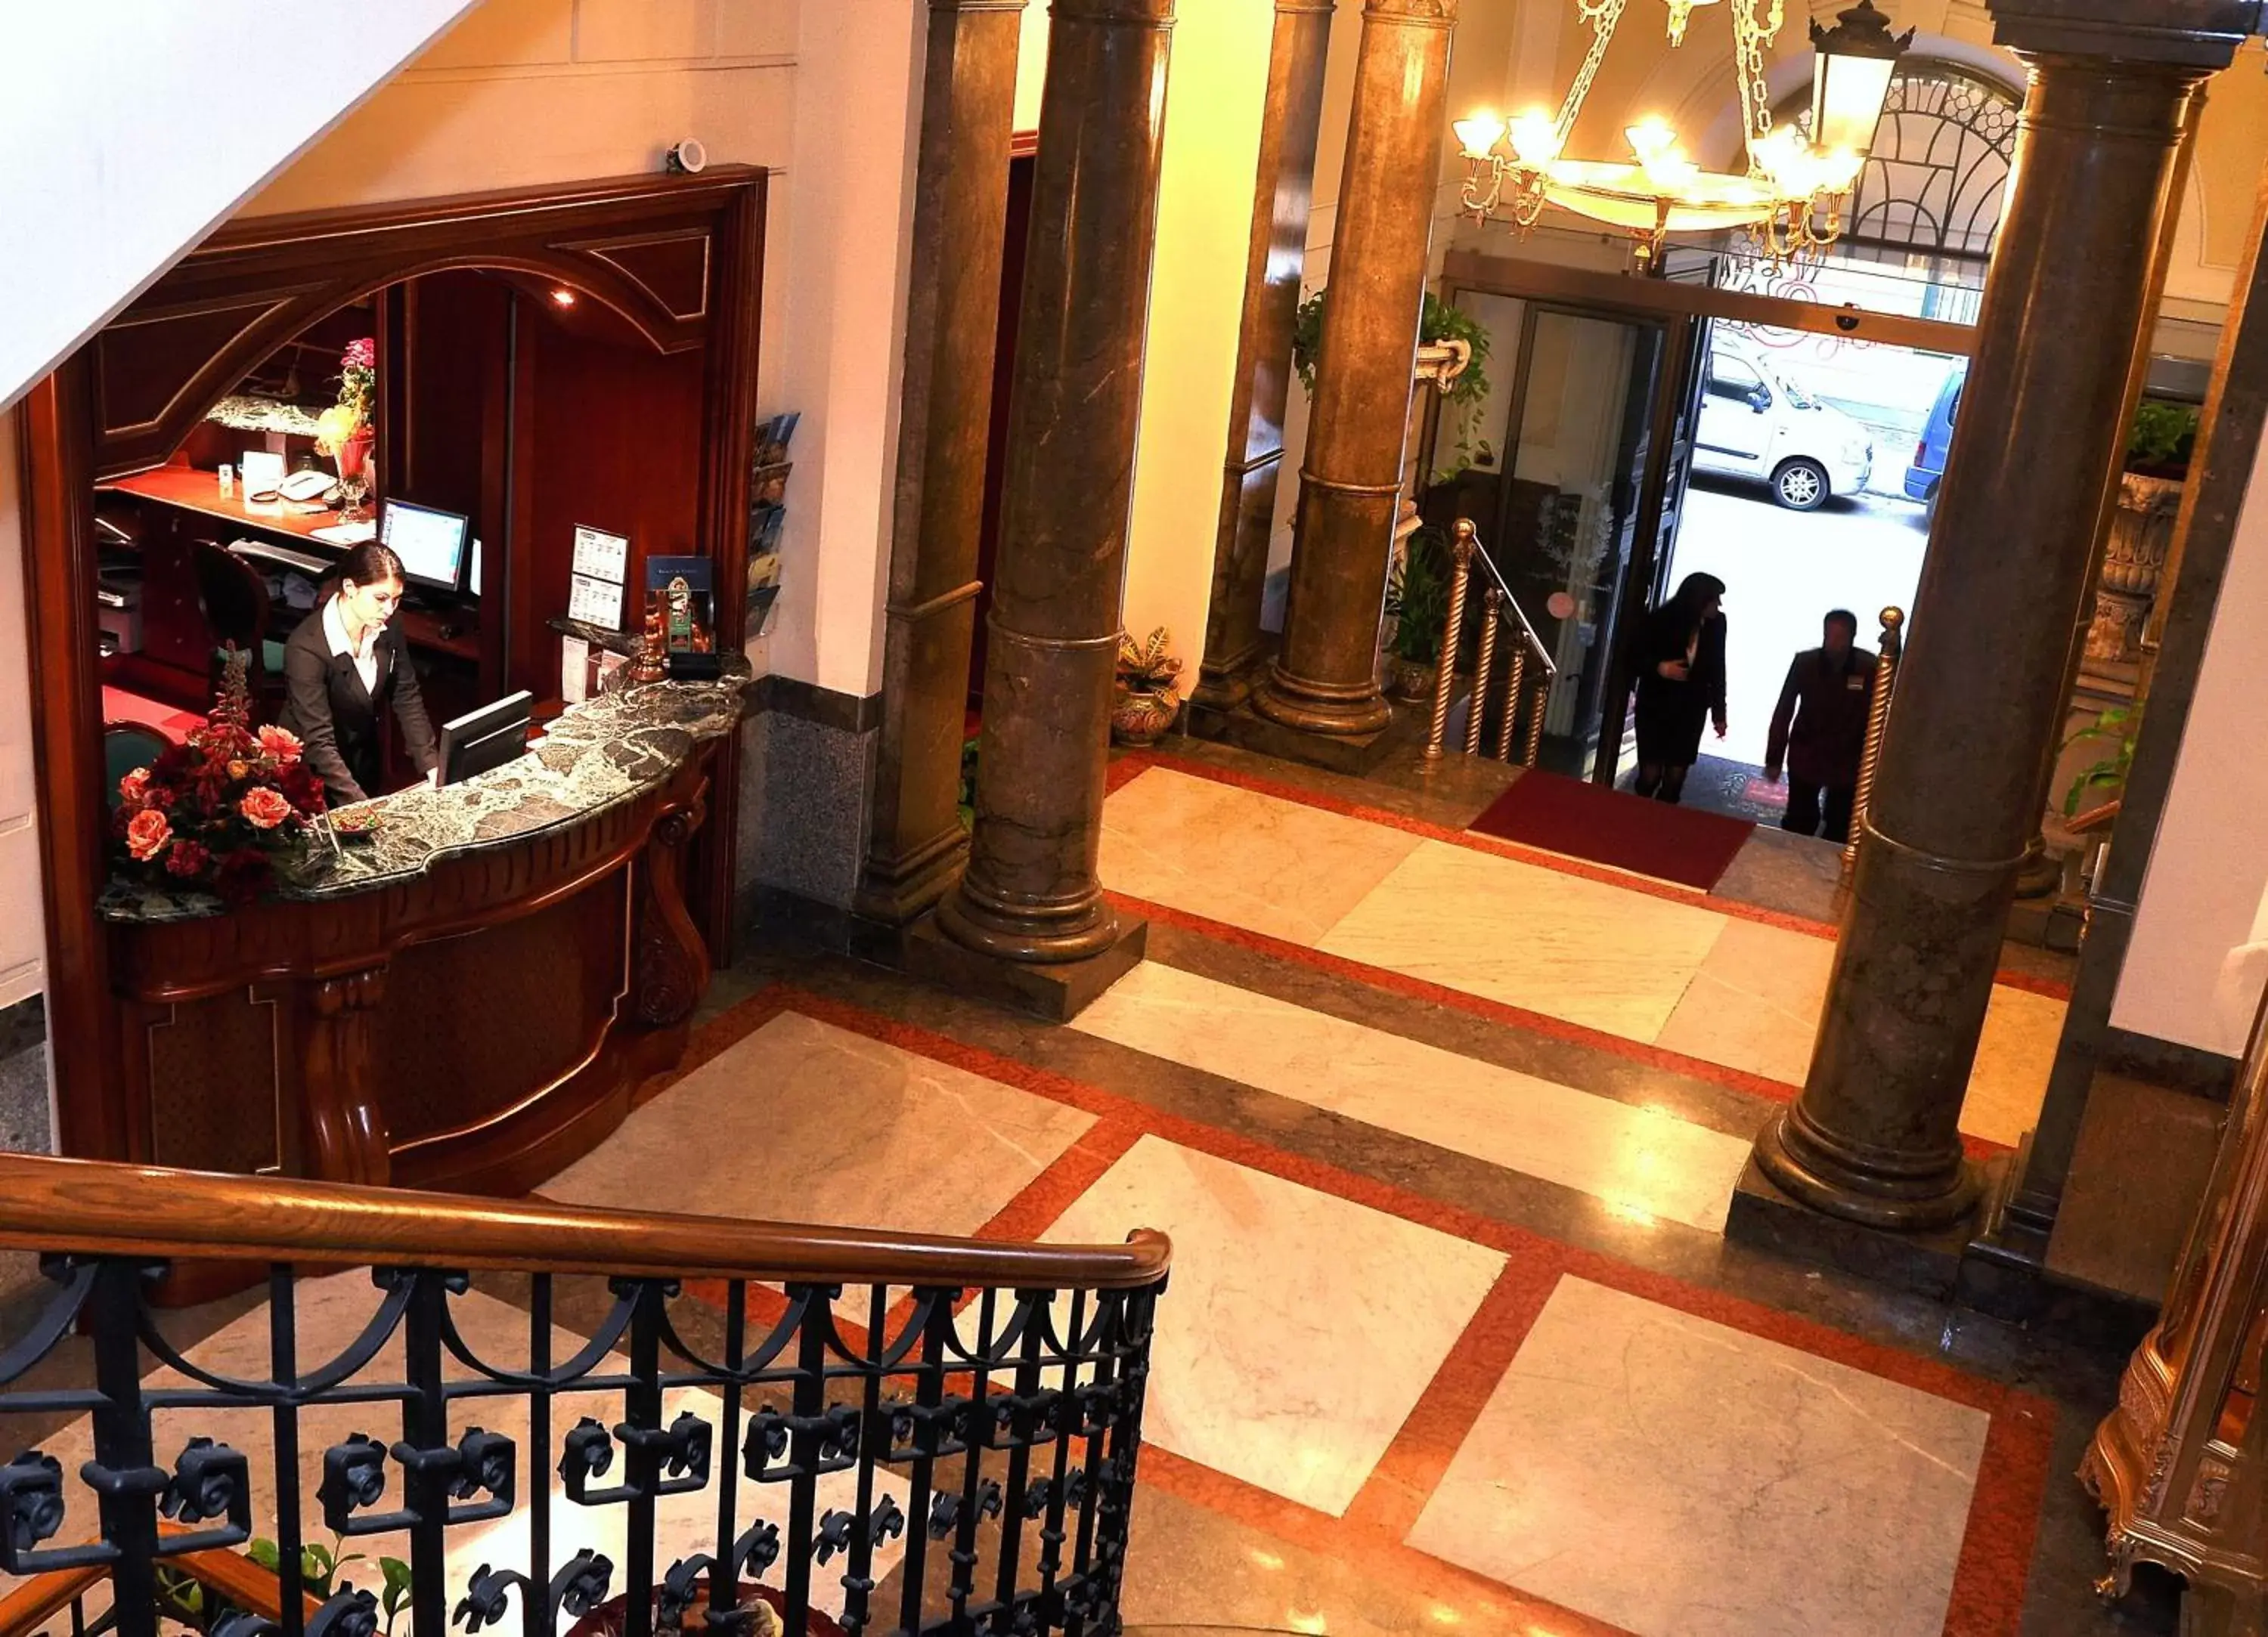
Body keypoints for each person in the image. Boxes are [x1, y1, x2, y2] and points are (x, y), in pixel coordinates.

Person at [279, 541, 439, 806]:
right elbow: (319, 742)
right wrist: (361, 807)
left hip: (361, 757)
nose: (389, 610)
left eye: (396, 599)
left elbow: (405, 694)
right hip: (311, 776)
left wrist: (432, 766)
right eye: (380, 598)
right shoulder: (305, 648)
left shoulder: (389, 624)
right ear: (350, 588)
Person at [1764, 608, 1877, 844]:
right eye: (1830, 636)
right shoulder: (1806, 663)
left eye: (1840, 637)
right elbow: (1784, 709)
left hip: (1848, 757)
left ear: (1852, 636)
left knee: (1840, 823)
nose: (1833, 643)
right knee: (1799, 818)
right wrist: (1774, 758)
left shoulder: (1869, 667)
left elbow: (1879, 715)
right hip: (1807, 752)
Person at [1631, 571, 1727, 804]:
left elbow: (1717, 667)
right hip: (1656, 706)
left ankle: (1662, 824)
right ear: (1699, 600)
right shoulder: (1659, 620)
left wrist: (1719, 713)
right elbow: (1632, 658)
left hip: (1690, 710)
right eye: (1715, 599)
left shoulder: (1717, 624)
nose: (1719, 605)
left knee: (1676, 775)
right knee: (1650, 773)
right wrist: (1660, 668)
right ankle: (1636, 817)